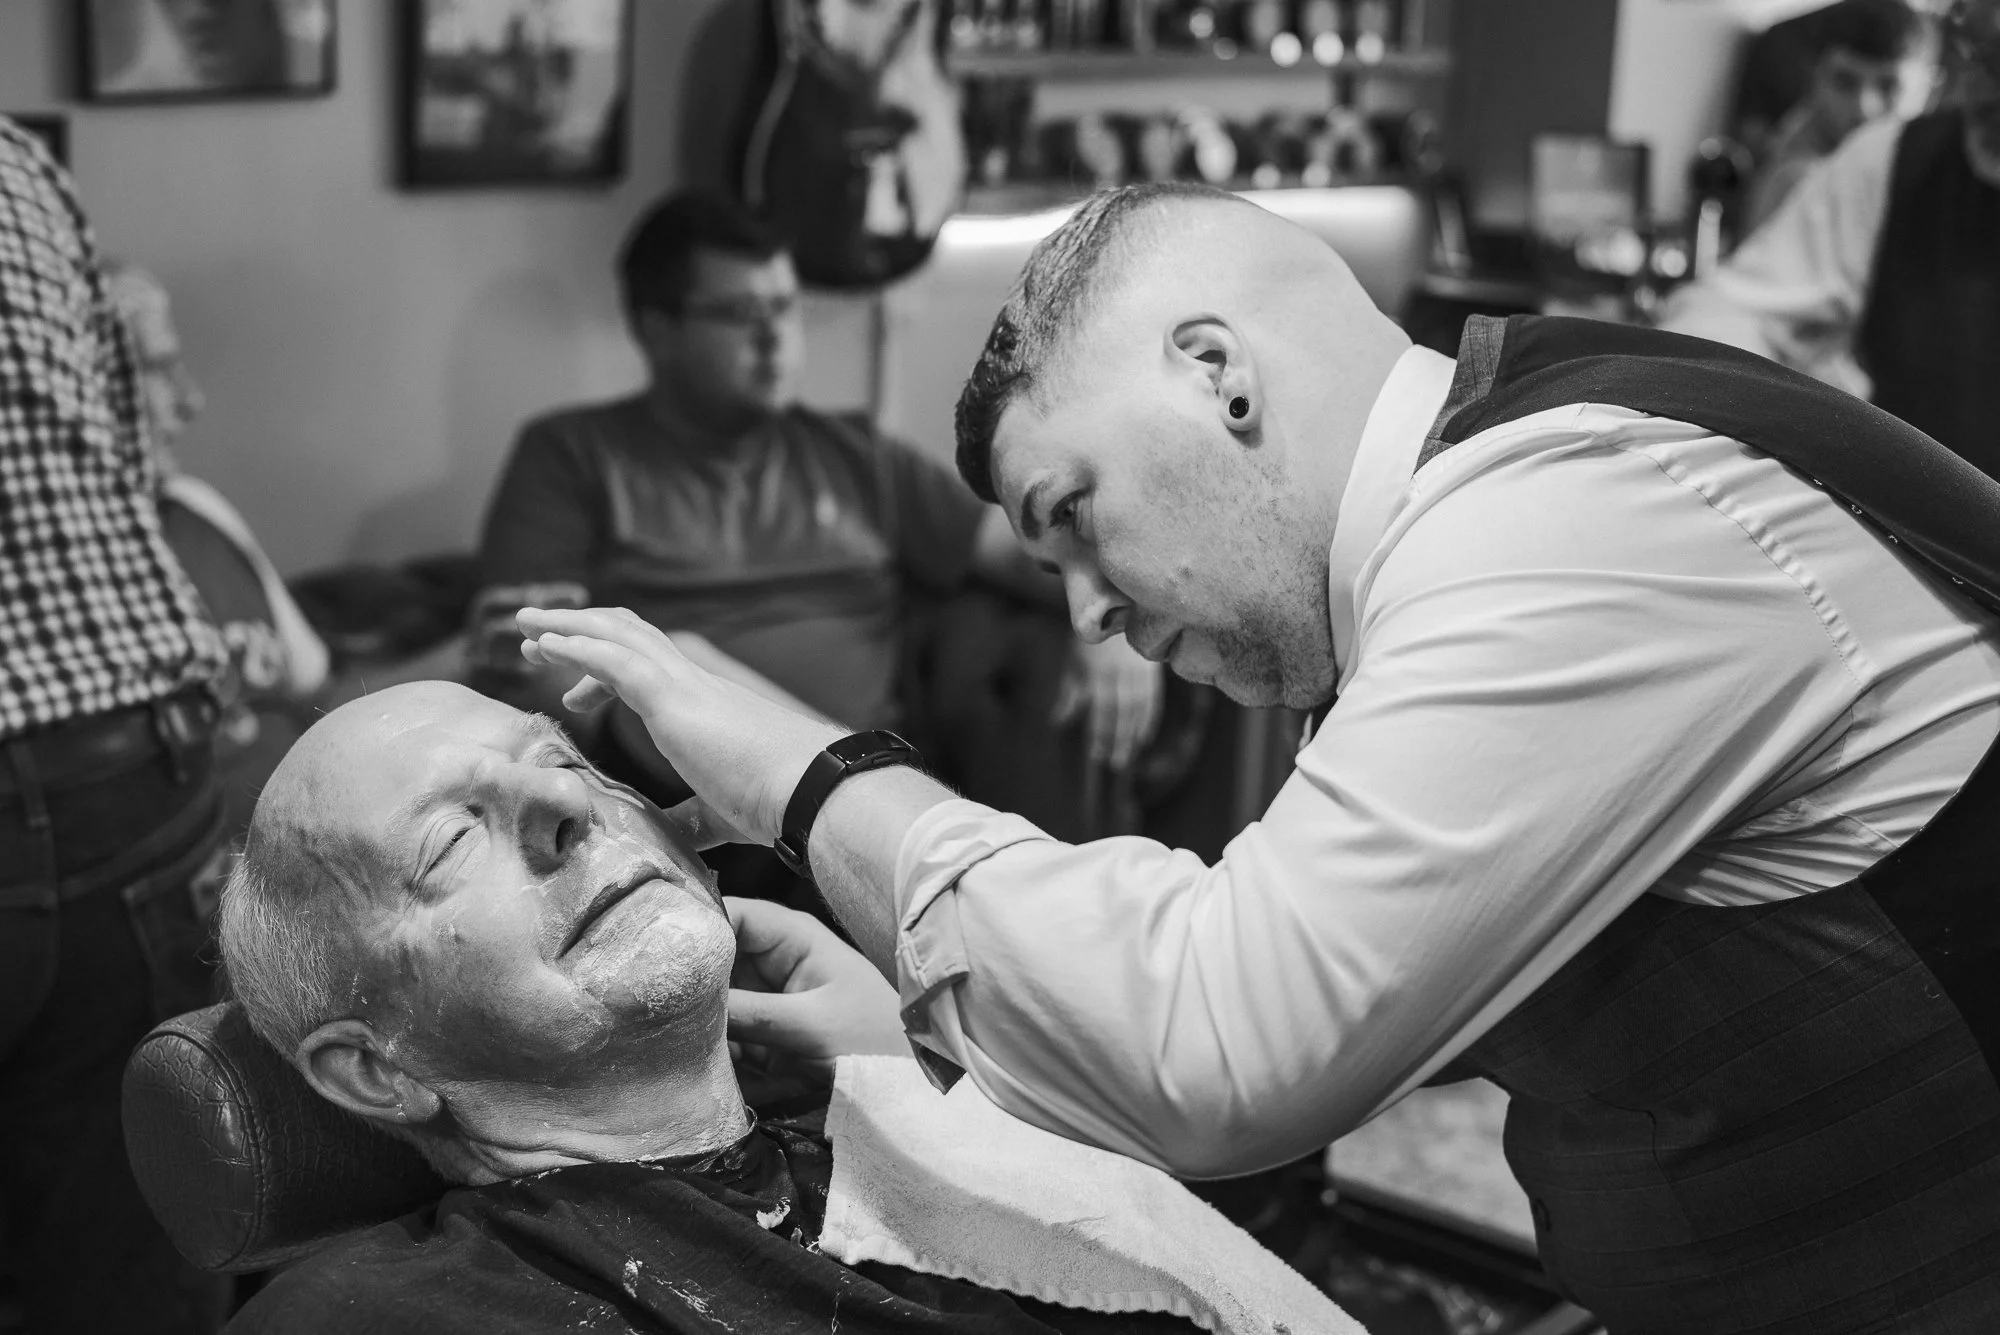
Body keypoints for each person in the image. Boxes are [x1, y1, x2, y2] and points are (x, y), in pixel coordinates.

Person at [516, 179, 2000, 1332]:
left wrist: (809, 774)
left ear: (1217, 373)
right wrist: (916, 1054)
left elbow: (1221, 1046)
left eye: (1073, 514)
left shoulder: (1569, 521)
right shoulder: (1466, 532)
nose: (1090, 614)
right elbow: (1353, 999)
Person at [213, 680, 1350, 1334]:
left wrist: (927, 1067)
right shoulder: (369, 1321)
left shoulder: (930, 1106)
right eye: (449, 842)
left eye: (564, 760)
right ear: (375, 1068)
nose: (565, 804)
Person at [475, 191, 1162, 815]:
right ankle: (855, 802)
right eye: (741, 315)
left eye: (784, 306)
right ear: (657, 330)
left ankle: (856, 804)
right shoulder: (572, 455)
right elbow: (530, 652)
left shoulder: (856, 455)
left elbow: (1024, 547)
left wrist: (1110, 614)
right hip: (675, 793)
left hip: (875, 775)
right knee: (673, 659)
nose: (774, 337)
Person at [0, 120, 233, 1332]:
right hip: (119, 771)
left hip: (114, 774)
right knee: (125, 1260)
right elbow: (122, 468)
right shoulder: (16, 160)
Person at [1661, 0, 2000, 477]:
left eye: (1888, 86)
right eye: (1987, 61)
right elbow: (1738, 309)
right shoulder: (1882, 160)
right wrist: (1804, 402)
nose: (1864, 109)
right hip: (1898, 503)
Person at [105, 260, 331, 854]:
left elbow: (317, 692)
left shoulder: (195, 506)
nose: (191, 400)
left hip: (321, 840)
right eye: (157, 369)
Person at [1737, 0, 1928, 228]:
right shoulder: (1800, 182)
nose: (1864, 108)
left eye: (1888, 87)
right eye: (1844, 82)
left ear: (1928, 89)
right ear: (1813, 78)